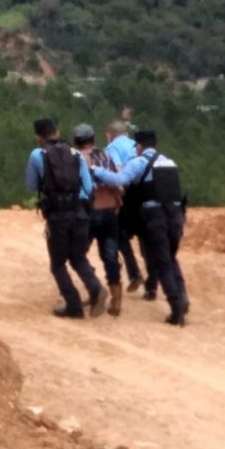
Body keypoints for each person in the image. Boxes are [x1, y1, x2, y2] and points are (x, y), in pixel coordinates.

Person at [92, 130, 189, 326]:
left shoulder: (138, 163)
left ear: (139, 146)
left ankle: (176, 308)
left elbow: (120, 180)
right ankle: (183, 295)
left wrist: (97, 171)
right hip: (176, 216)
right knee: (171, 257)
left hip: (156, 218)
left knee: (163, 263)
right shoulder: (169, 162)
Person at [25, 117, 107, 319]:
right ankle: (96, 289)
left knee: (58, 263)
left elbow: (32, 185)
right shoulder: (76, 153)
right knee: (78, 257)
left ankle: (74, 305)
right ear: (57, 132)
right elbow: (88, 187)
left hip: (58, 216)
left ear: (38, 137)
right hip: (80, 214)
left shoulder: (38, 154)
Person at [73, 124, 124, 316]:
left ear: (76, 141)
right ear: (93, 139)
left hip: (88, 211)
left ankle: (95, 290)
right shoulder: (106, 155)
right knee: (110, 255)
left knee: (78, 253)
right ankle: (116, 301)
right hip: (110, 210)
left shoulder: (77, 158)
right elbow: (116, 181)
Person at [105, 120, 148, 296]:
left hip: (128, 195)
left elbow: (118, 170)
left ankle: (134, 273)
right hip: (145, 194)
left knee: (120, 235)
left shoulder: (112, 147)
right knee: (145, 236)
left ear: (109, 135)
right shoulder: (138, 145)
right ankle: (153, 280)